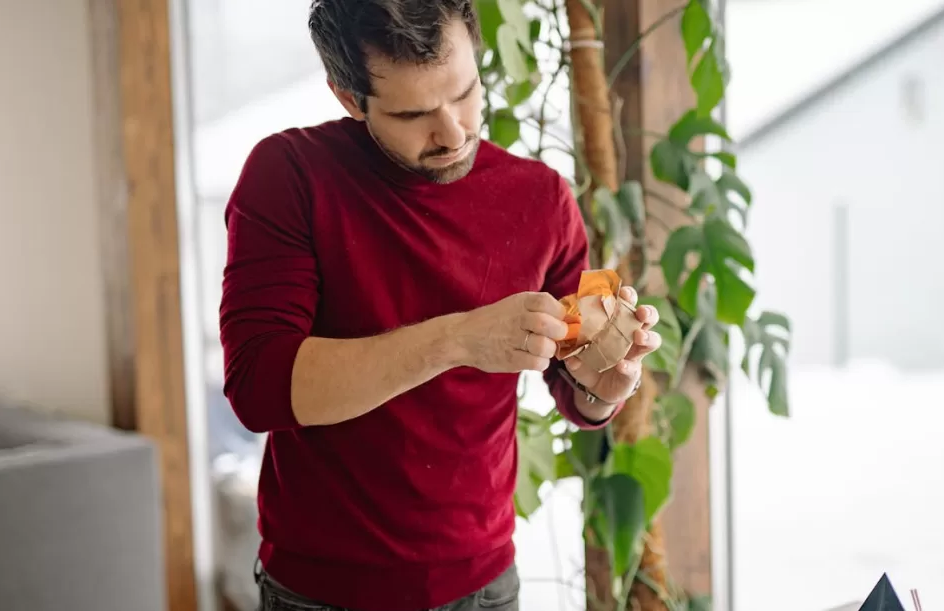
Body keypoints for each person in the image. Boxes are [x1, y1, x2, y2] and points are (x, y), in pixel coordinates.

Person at [218, 1, 662, 610]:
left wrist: (600, 389)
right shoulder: (290, 175)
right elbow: (260, 386)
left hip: (484, 586)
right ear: (349, 99)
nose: (452, 133)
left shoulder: (541, 198)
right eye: (413, 114)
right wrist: (457, 339)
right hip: (321, 591)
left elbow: (573, 383)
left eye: (465, 93)